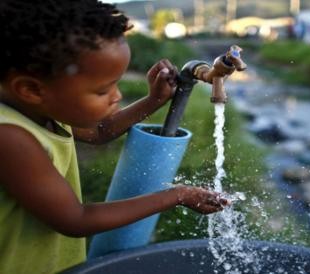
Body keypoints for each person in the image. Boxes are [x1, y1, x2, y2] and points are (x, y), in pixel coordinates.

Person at [0, 1, 228, 273]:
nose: (117, 96)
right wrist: (176, 196)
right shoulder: (9, 137)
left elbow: (99, 132)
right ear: (31, 89)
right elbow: (75, 218)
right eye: (102, 90)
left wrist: (153, 100)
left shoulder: (39, 107)